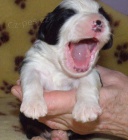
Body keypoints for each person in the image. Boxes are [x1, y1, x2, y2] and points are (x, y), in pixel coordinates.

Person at [11, 66, 128, 139]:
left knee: (84, 118)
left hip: (76, 129)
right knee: (28, 115)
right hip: (37, 125)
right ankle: (36, 135)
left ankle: (68, 135)